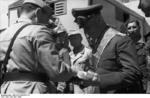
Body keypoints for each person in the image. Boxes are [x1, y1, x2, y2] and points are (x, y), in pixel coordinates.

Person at [0, 0, 78, 94]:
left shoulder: (4, 34)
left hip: (7, 91)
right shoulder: (39, 31)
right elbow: (58, 72)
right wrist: (76, 73)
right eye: (48, 16)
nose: (48, 21)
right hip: (33, 90)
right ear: (38, 12)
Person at [71, 4, 142, 93]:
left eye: (88, 27)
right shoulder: (95, 43)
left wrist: (99, 80)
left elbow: (133, 73)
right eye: (84, 28)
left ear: (98, 19)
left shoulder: (121, 41)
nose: (85, 32)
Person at [126, 20, 147, 93]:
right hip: (128, 87)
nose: (131, 30)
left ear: (139, 28)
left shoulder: (145, 47)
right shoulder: (123, 48)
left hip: (144, 87)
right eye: (129, 28)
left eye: (134, 27)